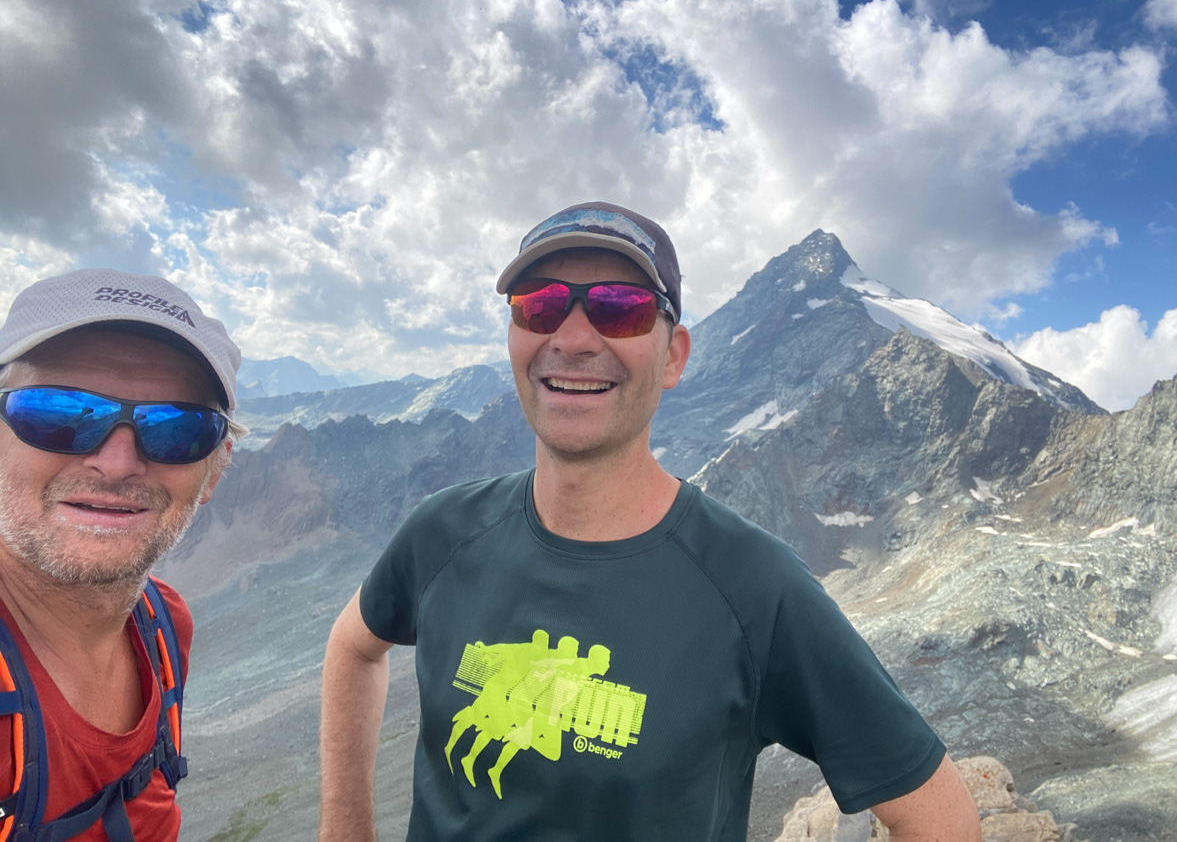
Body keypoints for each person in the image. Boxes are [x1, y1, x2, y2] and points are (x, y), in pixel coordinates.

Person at [319, 203, 981, 840]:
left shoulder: (754, 588)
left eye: (621, 308)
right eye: (540, 304)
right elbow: (353, 647)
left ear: (672, 356)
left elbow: (941, 819)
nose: (573, 339)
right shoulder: (441, 532)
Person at [0, 268, 242, 840]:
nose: (117, 463)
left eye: (177, 428)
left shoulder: (165, 624)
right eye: (57, 413)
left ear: (214, 471)